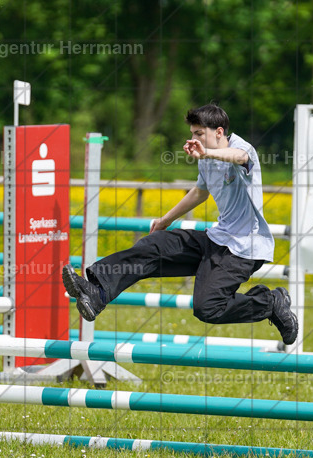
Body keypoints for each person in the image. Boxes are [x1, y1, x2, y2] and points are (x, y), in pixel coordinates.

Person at [61, 102, 299, 345]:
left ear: (219, 132)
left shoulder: (240, 148)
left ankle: (270, 303)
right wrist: (165, 221)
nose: (194, 139)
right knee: (153, 245)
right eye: (192, 133)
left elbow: (240, 157)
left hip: (245, 248)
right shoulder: (204, 158)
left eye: (199, 134)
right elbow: (199, 192)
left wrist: (207, 153)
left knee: (208, 308)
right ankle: (98, 291)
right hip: (218, 237)